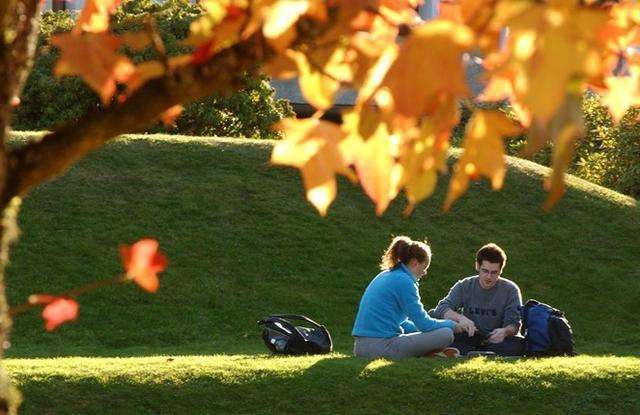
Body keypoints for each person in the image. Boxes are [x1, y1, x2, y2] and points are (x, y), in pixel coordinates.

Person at [352, 236, 463, 359]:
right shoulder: (405, 281)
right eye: (424, 267)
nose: (424, 272)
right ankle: (430, 352)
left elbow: (402, 322)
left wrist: (428, 330)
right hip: (382, 346)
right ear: (415, 263)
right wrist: (451, 325)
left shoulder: (387, 275)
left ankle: (429, 352)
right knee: (446, 334)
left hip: (361, 346)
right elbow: (424, 324)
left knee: (437, 330)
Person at [430, 243, 525, 356]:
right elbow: (441, 309)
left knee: (519, 344)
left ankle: (465, 352)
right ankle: (472, 351)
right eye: (485, 271)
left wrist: (504, 332)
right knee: (446, 334)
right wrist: (460, 318)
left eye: (494, 273)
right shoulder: (465, 285)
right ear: (477, 266)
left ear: (501, 271)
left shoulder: (511, 290)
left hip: (498, 339)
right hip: (470, 335)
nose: (489, 277)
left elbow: (514, 324)